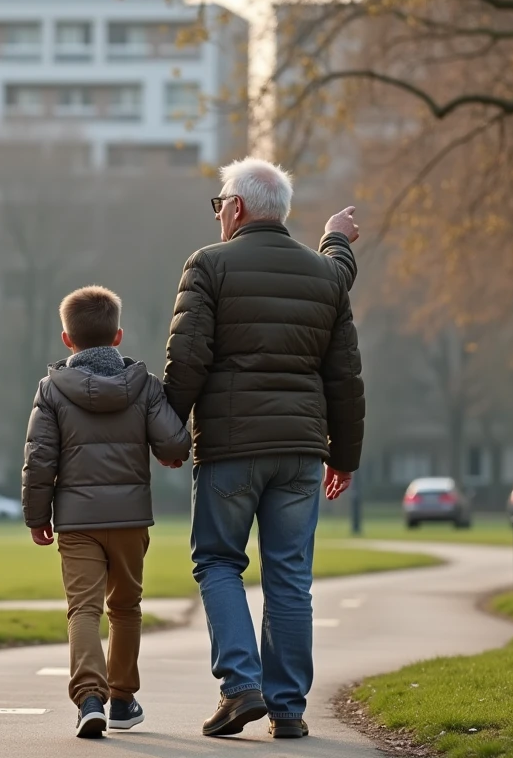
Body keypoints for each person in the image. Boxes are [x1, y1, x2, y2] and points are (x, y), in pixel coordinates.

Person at [163, 158, 364, 740]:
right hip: (302, 451)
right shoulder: (324, 276)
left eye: (220, 202)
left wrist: (171, 434)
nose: (219, 212)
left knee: (219, 561)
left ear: (238, 207)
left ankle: (239, 687)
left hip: (230, 448)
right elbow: (345, 377)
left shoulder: (208, 265)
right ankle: (288, 708)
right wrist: (343, 455)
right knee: (289, 575)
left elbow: (188, 360)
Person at [22, 286, 192, 739]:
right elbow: (175, 443)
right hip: (131, 518)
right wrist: (167, 452)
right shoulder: (143, 385)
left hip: (77, 522)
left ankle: (89, 698)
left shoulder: (52, 389)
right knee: (126, 607)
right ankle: (121, 699)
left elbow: (40, 458)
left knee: (83, 609)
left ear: (66, 340)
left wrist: (37, 515)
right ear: (118, 336)